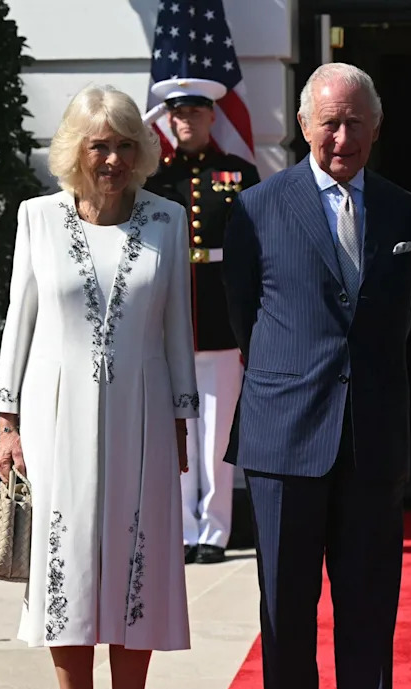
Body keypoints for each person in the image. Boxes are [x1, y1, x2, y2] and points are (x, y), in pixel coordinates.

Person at [221, 62, 411, 689]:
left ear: (377, 126)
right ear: (304, 125)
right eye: (330, 123)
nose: (342, 137)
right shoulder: (257, 207)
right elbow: (246, 315)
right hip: (284, 439)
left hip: (372, 441)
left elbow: (401, 316)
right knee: (286, 613)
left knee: (369, 611)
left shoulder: (405, 210)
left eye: (355, 123)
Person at [0, 84, 197, 689]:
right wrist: (7, 422)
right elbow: (19, 320)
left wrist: (182, 419)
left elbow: (177, 328)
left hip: (144, 414)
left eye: (125, 146)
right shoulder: (37, 218)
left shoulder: (168, 219)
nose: (113, 159)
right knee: (69, 566)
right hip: (55, 420)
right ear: (74, 150)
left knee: (139, 566)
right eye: (99, 145)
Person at [144, 78, 261, 565]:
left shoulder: (237, 174)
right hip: (170, 320)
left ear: (212, 116)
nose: (185, 121)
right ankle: (183, 528)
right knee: (177, 430)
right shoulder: (155, 178)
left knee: (216, 435)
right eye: (177, 114)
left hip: (220, 321)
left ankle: (214, 530)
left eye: (194, 112)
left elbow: (256, 248)